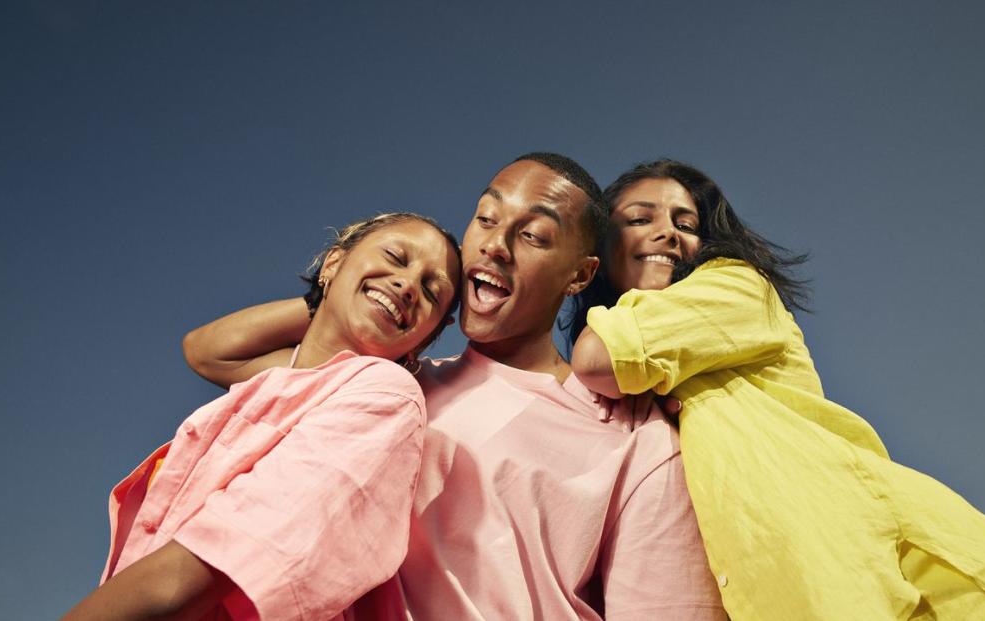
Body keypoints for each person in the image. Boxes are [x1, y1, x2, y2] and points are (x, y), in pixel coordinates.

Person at [183, 153, 726, 620]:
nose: (496, 245)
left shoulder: (636, 436)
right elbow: (213, 352)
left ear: (580, 275)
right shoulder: (389, 383)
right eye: (486, 218)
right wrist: (348, 293)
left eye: (534, 235)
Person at [570, 159, 985, 620]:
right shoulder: (633, 398)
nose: (668, 232)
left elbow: (599, 358)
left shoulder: (733, 286)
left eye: (686, 224)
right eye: (640, 219)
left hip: (902, 585)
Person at [63, 212, 463, 621]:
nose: (410, 285)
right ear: (333, 262)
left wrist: (346, 291)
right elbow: (205, 349)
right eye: (396, 257)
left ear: (427, 337)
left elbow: (185, 580)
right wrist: (329, 296)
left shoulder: (385, 394)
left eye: (432, 292)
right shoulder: (286, 380)